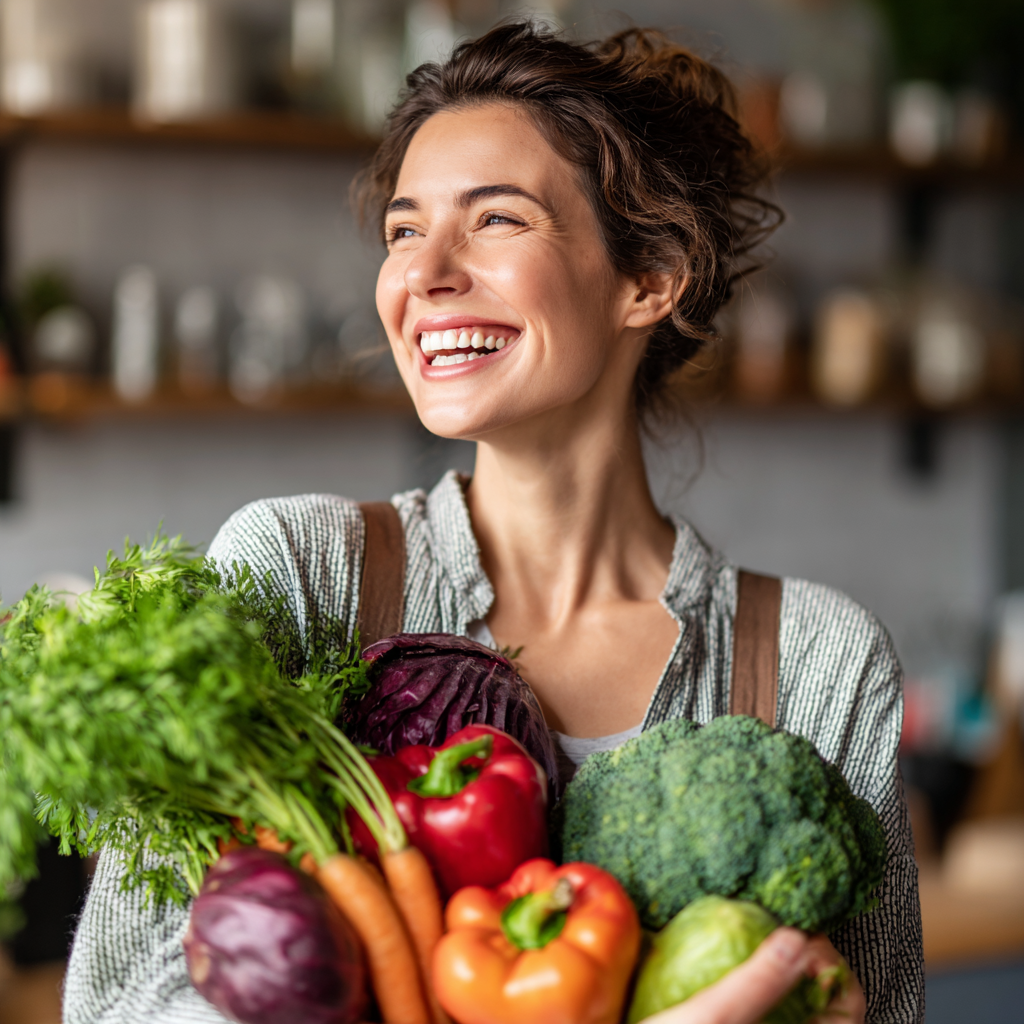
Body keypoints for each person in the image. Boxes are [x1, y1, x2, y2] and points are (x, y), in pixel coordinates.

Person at [64, 23, 923, 1024]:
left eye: (496, 220)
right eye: (401, 230)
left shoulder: (820, 662)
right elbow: (120, 1001)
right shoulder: (303, 575)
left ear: (649, 277)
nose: (424, 273)